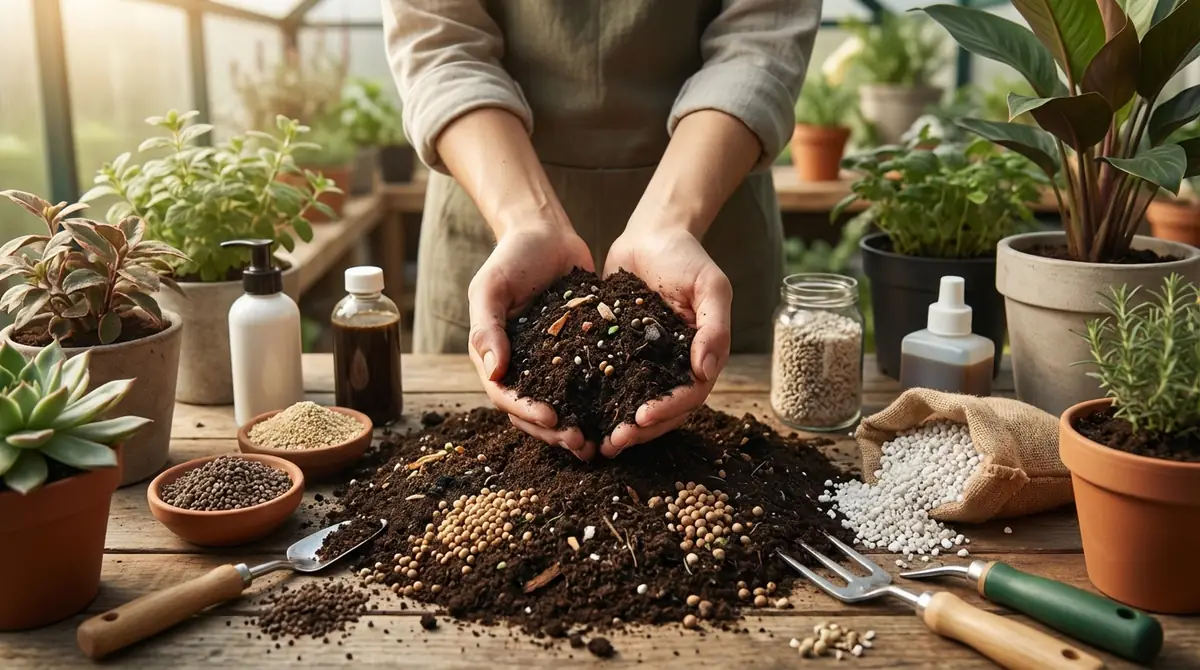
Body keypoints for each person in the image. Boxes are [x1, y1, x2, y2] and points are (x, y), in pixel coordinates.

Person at [384, 0, 820, 461]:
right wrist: (526, 221)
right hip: (494, 191)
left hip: (708, 194)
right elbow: (440, 38)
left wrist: (668, 224)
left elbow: (760, 35)